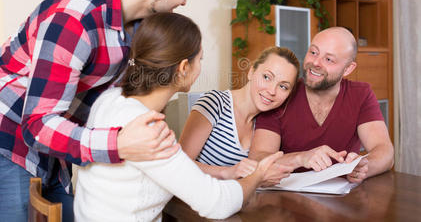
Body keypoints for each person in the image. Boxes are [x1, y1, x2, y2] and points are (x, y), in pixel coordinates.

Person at [0, 0, 203, 222]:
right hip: (12, 140)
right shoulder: (74, 21)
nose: (184, 1)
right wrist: (119, 144)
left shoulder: (137, 27)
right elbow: (38, 125)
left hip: (56, 150)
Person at [74, 12, 286, 221]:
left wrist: (225, 173)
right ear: (184, 68)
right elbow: (217, 204)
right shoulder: (149, 131)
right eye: (199, 59)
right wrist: (258, 175)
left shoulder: (110, 99)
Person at [249, 27, 394, 183]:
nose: (315, 63)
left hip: (343, 199)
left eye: (329, 59)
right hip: (286, 198)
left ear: (348, 69)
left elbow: (385, 151)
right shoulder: (283, 93)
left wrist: (365, 166)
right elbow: (258, 158)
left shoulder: (361, 94)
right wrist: (300, 158)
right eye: (313, 52)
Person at [179, 47, 299, 180]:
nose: (272, 91)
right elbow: (179, 165)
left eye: (283, 86)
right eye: (267, 77)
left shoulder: (265, 127)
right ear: (251, 72)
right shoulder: (214, 103)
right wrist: (227, 172)